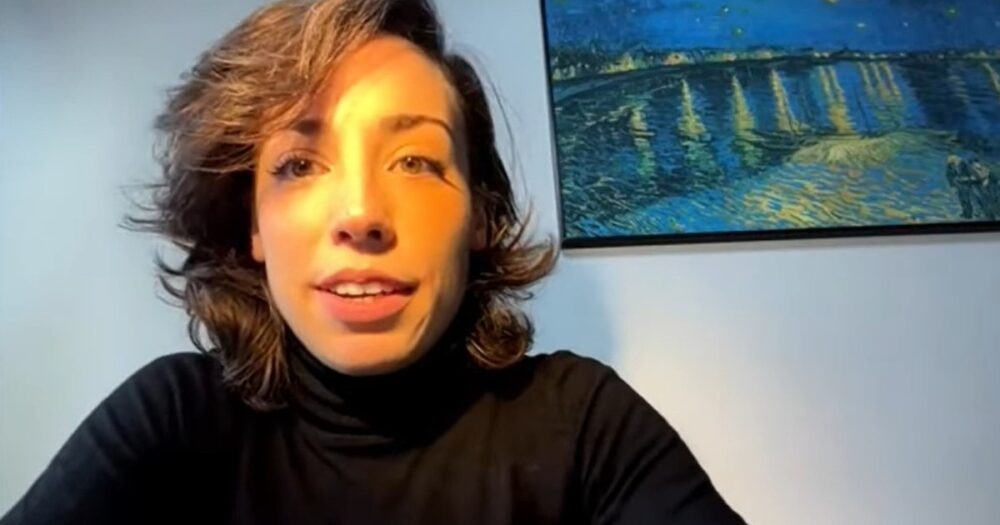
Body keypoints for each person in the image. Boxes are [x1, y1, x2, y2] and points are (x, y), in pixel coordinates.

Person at [1, 0, 744, 523]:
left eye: (415, 160)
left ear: (479, 215)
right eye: (299, 165)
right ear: (252, 224)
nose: (359, 215)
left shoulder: (583, 422)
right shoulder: (174, 420)